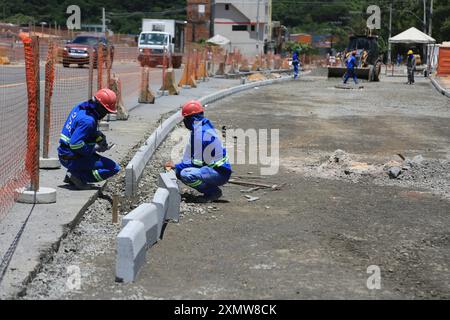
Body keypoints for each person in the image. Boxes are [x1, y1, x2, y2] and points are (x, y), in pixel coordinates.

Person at [165, 100, 232, 202]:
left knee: (185, 174)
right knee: (180, 170)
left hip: (219, 172)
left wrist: (176, 166)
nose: (184, 121)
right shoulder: (202, 126)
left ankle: (212, 192)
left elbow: (197, 162)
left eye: (185, 118)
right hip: (216, 169)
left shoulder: (200, 134)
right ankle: (211, 189)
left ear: (191, 118)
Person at [58, 88, 120, 189]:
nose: (105, 114)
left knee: (96, 142)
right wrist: (95, 148)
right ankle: (78, 176)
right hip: (71, 157)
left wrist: (99, 137)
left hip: (64, 153)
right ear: (100, 106)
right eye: (105, 111)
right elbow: (75, 144)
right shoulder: (88, 121)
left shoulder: (81, 107)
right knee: (113, 168)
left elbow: (81, 130)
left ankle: (73, 173)